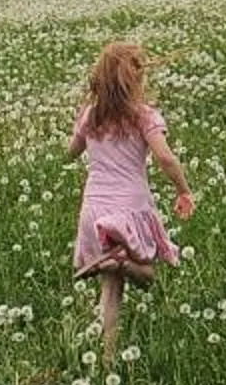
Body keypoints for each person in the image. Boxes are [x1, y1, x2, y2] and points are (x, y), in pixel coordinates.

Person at [65, 41, 194, 363]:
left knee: (111, 290)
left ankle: (106, 358)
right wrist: (183, 190)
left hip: (94, 209)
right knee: (146, 275)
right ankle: (121, 262)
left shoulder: (90, 115)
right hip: (130, 208)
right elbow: (165, 157)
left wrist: (82, 133)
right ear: (136, 78)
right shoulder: (144, 116)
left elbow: (71, 152)